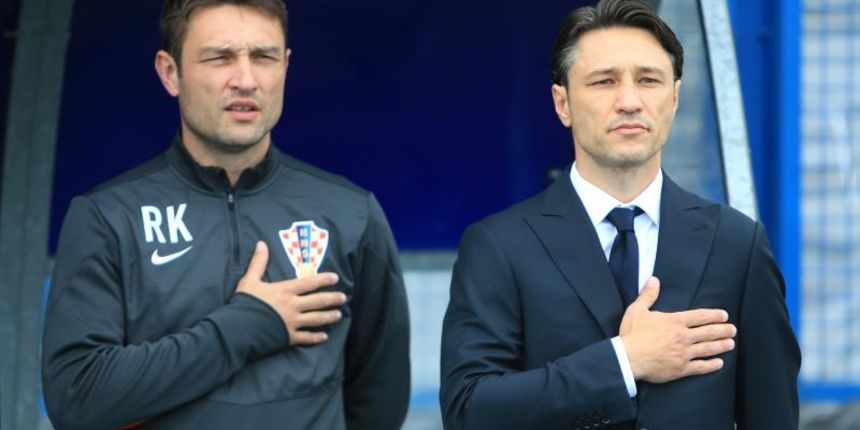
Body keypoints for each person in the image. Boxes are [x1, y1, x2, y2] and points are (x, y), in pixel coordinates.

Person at [41, 1, 410, 429]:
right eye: (220, 57)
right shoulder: (108, 217)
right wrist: (247, 325)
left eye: (264, 57)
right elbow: (77, 397)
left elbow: (378, 401)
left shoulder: (350, 213)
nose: (246, 80)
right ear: (169, 72)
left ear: (285, 66)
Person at [439, 0, 800, 429]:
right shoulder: (499, 245)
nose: (629, 101)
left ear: (674, 97)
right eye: (604, 81)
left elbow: (772, 415)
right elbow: (469, 411)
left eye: (648, 80)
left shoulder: (737, 244)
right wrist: (624, 361)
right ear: (562, 103)